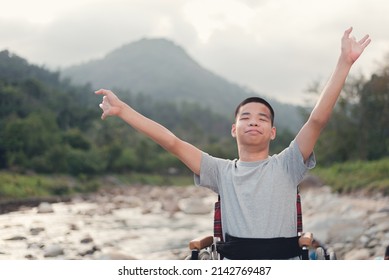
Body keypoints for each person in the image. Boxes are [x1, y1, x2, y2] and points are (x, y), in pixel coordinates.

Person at [96, 27, 371, 259]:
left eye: (262, 118)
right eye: (246, 117)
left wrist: (344, 62)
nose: (254, 122)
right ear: (233, 129)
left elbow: (316, 121)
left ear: (272, 132)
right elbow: (172, 142)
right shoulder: (220, 171)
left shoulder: (288, 164)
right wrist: (124, 111)